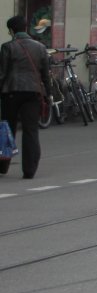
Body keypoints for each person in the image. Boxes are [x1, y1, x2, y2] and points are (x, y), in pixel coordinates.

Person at [0, 15, 51, 178]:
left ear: (11, 30)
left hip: (11, 93)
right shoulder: (40, 47)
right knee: (31, 131)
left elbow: (2, 73)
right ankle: (29, 170)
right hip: (33, 93)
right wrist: (48, 94)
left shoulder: (7, 47)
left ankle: (3, 165)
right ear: (25, 28)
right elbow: (45, 75)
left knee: (7, 129)